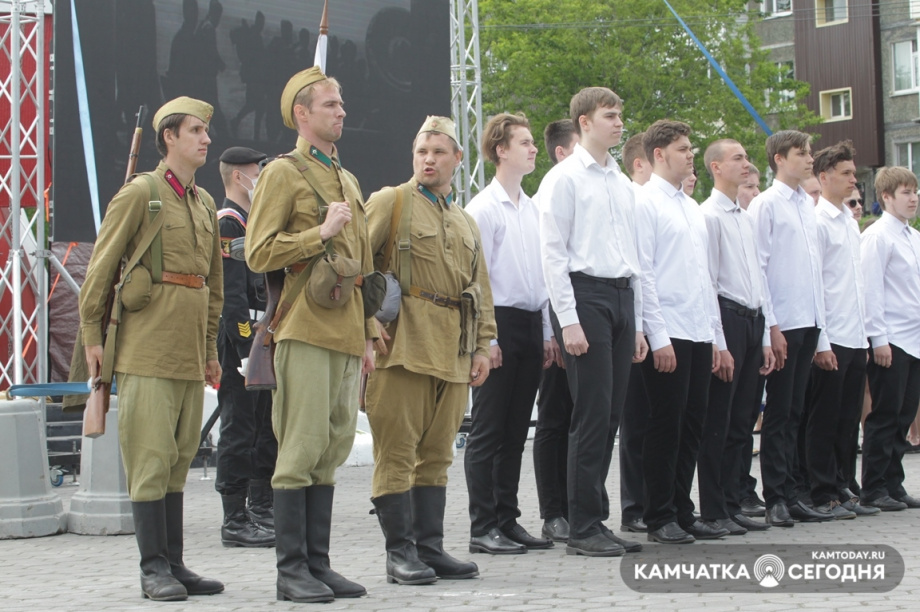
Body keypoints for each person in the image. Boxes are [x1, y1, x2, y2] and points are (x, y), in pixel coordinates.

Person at [79, 97, 224, 601]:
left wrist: (209, 349)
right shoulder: (141, 194)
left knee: (180, 459)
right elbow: (98, 273)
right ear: (168, 137)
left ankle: (175, 563)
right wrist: (93, 341)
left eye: (207, 131)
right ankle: (152, 567)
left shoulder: (204, 203)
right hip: (146, 348)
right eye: (196, 130)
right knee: (150, 457)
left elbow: (212, 285)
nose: (206, 139)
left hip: (187, 352)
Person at [246, 66, 374, 603]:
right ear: (302, 115)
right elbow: (257, 252)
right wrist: (318, 233)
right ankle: (290, 570)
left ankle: (317, 565)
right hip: (304, 327)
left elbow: (361, 264)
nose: (341, 111)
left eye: (341, 103)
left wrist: (368, 332)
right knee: (299, 449)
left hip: (345, 332)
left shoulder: (347, 180)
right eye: (330, 104)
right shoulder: (284, 173)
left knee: (332, 447)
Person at [364, 116, 496, 584]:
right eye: (422, 151)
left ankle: (430, 548)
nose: (429, 159)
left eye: (439, 152)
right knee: (397, 452)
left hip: (453, 352)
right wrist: (363, 326)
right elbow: (359, 267)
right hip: (402, 345)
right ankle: (399, 553)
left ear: (457, 160)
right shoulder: (391, 202)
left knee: (438, 453)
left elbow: (479, 288)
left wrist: (483, 345)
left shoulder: (464, 221)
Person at [539, 87, 648, 557]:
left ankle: (595, 519)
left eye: (621, 114)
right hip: (586, 297)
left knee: (610, 415)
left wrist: (639, 323)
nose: (619, 122)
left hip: (622, 297)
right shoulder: (564, 179)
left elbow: (634, 257)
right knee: (590, 413)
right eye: (610, 115)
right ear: (584, 122)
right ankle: (581, 525)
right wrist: (568, 320)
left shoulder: (621, 182)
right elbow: (553, 253)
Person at [464, 113, 554, 555]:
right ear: (500, 149)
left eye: (533, 141)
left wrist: (549, 331)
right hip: (497, 322)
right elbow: (475, 279)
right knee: (488, 429)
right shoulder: (483, 209)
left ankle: (507, 518)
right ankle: (482, 526)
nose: (533, 148)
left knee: (517, 430)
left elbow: (542, 276)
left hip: (530, 323)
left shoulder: (533, 208)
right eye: (524, 141)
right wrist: (488, 340)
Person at [635, 120, 726, 544]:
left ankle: (682, 509)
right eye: (682, 149)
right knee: (664, 426)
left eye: (691, 148)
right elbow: (645, 274)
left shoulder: (691, 207)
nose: (691, 155)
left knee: (692, 424)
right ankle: (659, 516)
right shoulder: (645, 203)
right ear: (658, 155)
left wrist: (714, 336)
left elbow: (704, 278)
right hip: (667, 330)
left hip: (697, 329)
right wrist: (658, 337)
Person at [748, 130, 832, 527]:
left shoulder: (806, 207)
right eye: (801, 153)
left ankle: (794, 491)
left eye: (810, 152)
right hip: (783, 322)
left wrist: (822, 333)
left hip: (809, 320)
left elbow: (815, 274)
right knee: (779, 413)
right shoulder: (766, 205)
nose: (809, 158)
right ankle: (775, 496)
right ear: (779, 158)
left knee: (796, 411)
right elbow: (759, 270)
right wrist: (772, 327)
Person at [697, 139, 775, 536]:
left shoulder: (743, 216)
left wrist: (764, 335)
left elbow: (758, 278)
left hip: (751, 318)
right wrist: (718, 341)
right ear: (716, 167)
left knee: (744, 418)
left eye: (747, 157)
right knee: (720, 419)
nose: (746, 165)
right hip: (726, 317)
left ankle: (732, 500)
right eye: (738, 159)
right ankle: (713, 506)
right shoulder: (708, 216)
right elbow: (707, 281)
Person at [805, 140, 878, 519]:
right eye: (847, 174)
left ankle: (843, 483)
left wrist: (865, 337)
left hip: (854, 335)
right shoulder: (819, 223)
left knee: (849, 419)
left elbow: (857, 286)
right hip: (831, 335)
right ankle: (822, 491)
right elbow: (818, 285)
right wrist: (822, 340)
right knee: (825, 417)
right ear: (824, 176)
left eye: (854, 173)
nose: (854, 180)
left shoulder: (849, 224)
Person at [214, 146, 277, 548]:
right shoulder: (229, 223)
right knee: (239, 427)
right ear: (240, 177)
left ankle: (263, 505)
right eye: (258, 171)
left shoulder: (256, 222)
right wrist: (241, 347)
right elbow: (231, 293)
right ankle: (234, 517)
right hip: (242, 340)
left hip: (263, 337)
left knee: (266, 427)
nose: (262, 178)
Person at [860, 166, 920, 512]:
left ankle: (893, 483)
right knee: (884, 414)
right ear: (886, 197)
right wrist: (877, 338)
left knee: (904, 413)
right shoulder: (878, 236)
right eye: (905, 193)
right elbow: (871, 290)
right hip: (891, 338)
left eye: (915, 192)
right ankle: (874, 486)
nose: (912, 199)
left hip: (913, 338)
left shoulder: (911, 236)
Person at [532, 119, 579, 543]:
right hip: (559, 323)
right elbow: (547, 270)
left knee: (575, 418)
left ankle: (574, 504)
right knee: (554, 417)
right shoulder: (554, 187)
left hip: (583, 321)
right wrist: (556, 330)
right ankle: (553, 511)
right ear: (564, 152)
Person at [618, 131, 652, 535]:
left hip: (642, 318)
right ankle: (632, 505)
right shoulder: (633, 199)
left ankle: (649, 500)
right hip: (633, 318)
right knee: (635, 420)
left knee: (652, 420)